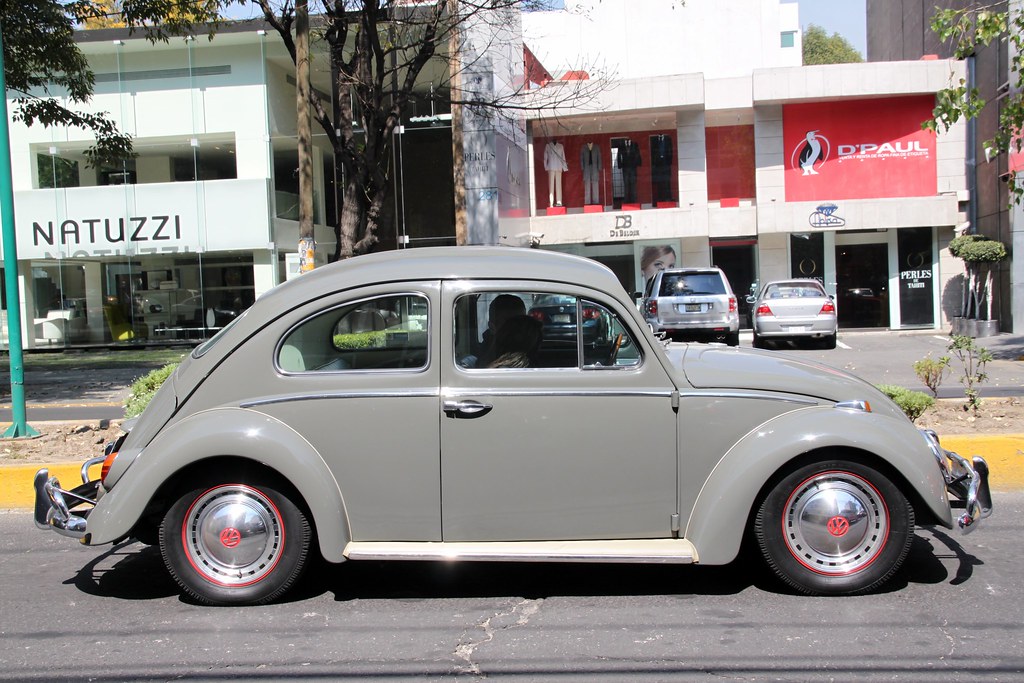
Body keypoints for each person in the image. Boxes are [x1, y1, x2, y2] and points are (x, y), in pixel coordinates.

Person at [474, 294, 527, 367]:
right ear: (492, 326)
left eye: (522, 322)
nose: (518, 328)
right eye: (509, 323)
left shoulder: (530, 347)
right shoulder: (487, 353)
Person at [544, 139, 568, 207]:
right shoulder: (548, 146)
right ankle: (551, 202)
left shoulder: (560, 146)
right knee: (551, 185)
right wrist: (546, 166)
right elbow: (545, 157)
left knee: (558, 185)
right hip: (551, 167)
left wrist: (564, 167)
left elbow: (563, 156)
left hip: (558, 167)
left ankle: (559, 201)